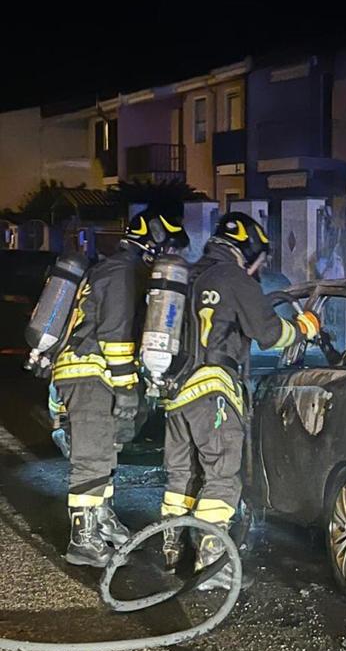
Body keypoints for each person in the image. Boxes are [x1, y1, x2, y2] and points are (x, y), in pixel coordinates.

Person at [160, 212, 319, 589]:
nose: (259, 268)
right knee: (221, 477)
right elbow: (268, 333)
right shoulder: (233, 278)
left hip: (175, 393)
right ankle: (213, 564)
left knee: (180, 475)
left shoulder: (188, 276)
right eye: (260, 260)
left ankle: (172, 548)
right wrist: (304, 329)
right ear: (249, 250)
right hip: (213, 390)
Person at [53, 210, 189, 567]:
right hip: (90, 372)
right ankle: (82, 539)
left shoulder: (120, 268)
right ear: (154, 242)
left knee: (105, 450)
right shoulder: (122, 272)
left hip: (93, 372)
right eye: (167, 247)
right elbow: (114, 334)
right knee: (91, 456)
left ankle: (101, 519)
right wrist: (127, 386)